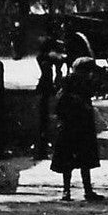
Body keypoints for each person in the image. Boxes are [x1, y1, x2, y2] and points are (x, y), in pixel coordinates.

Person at [50, 58, 104, 201]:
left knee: (72, 161)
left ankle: (69, 191)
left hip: (71, 127)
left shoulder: (69, 84)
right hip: (77, 126)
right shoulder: (75, 85)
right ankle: (81, 191)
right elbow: (62, 106)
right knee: (82, 160)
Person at [34, 30, 67, 159]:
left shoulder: (43, 58)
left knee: (44, 113)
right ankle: (42, 148)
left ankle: (41, 147)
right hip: (46, 86)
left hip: (45, 86)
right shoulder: (48, 59)